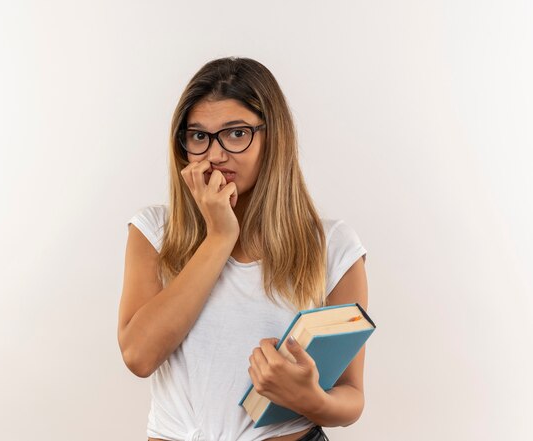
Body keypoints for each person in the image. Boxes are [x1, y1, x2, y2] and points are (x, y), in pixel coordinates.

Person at [118, 56, 369, 441]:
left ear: (273, 137)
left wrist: (311, 398)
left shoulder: (331, 246)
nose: (215, 154)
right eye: (199, 136)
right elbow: (139, 356)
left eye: (236, 134)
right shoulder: (155, 231)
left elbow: (351, 395)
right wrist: (219, 237)